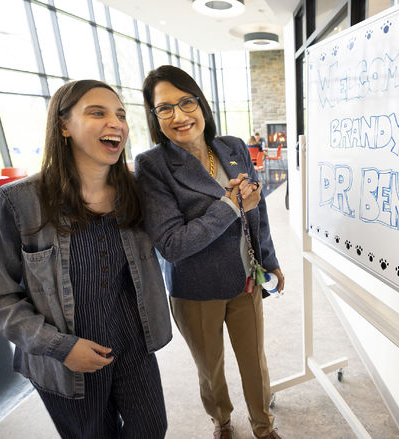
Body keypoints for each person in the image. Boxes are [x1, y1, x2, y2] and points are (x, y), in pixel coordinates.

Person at [0, 80, 172, 439]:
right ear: (63, 125)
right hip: (65, 360)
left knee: (151, 429)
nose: (117, 123)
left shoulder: (136, 192)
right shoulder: (14, 203)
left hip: (133, 343)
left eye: (121, 115)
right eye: (98, 112)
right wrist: (61, 347)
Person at [134, 65, 284, 439]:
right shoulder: (152, 166)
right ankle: (222, 421)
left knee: (255, 362)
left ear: (201, 103)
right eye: (165, 108)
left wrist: (270, 261)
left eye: (187, 102)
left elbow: (257, 210)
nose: (180, 116)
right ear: (155, 117)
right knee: (210, 368)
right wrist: (230, 205)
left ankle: (264, 426)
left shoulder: (231, 147)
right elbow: (172, 243)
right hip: (195, 289)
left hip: (246, 279)